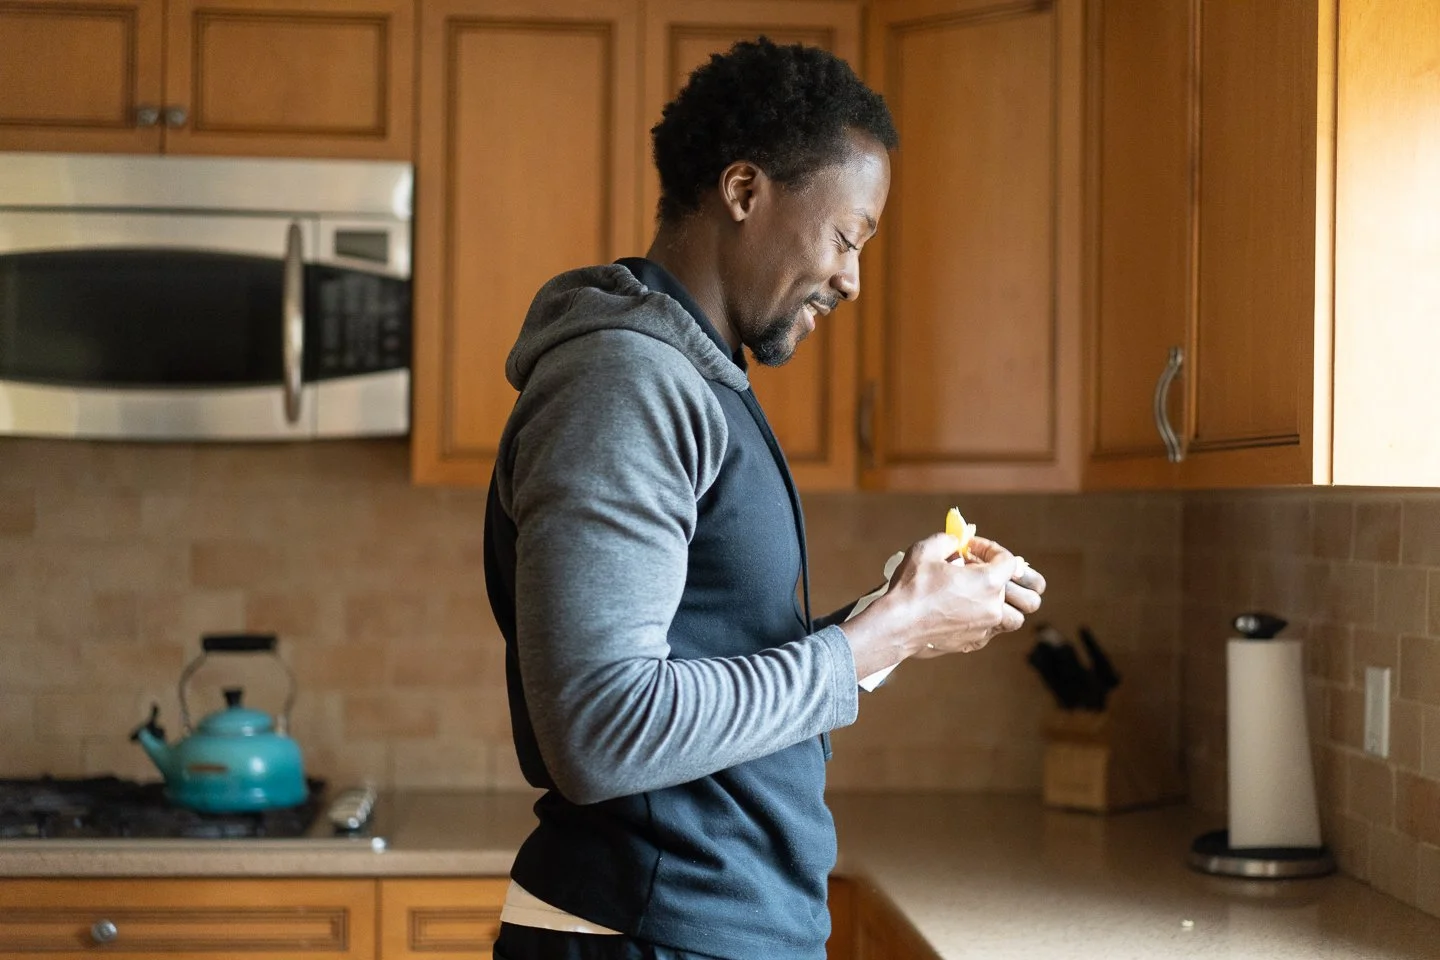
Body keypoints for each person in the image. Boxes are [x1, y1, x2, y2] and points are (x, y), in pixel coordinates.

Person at [482, 37, 1046, 960]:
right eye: (845, 237)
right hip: (645, 929)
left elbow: (712, 650)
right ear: (745, 192)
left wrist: (895, 612)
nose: (854, 278)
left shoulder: (693, 380)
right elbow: (603, 729)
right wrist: (890, 631)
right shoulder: (625, 384)